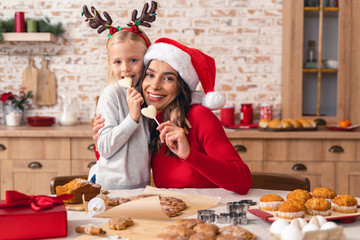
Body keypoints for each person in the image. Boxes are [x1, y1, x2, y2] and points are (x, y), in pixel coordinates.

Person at [139, 38, 252, 194]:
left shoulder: (199, 116)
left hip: (209, 212)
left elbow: (243, 181)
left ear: (181, 86)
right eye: (150, 75)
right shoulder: (147, 119)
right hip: (171, 212)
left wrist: (190, 155)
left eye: (168, 78)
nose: (155, 85)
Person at [83, 2, 158, 190]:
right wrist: (132, 118)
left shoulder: (149, 94)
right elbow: (105, 148)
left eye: (133, 60)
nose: (125, 68)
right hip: (109, 186)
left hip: (139, 186)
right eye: (118, 62)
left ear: (146, 60)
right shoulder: (111, 95)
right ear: (110, 63)